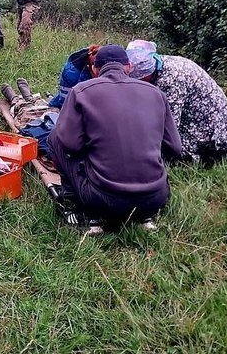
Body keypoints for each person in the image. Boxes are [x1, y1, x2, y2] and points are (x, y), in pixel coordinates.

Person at [48, 45, 182, 234]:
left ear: (95, 69)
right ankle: (144, 215)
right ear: (128, 67)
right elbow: (175, 148)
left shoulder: (81, 91)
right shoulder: (156, 93)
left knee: (55, 137)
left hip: (100, 198)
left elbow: (71, 144)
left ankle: (75, 204)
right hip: (155, 198)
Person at [125, 40, 227, 164]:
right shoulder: (156, 63)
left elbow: (168, 127)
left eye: (140, 80)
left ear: (148, 73)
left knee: (167, 156)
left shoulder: (171, 80)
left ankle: (223, 153)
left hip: (209, 126)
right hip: (191, 115)